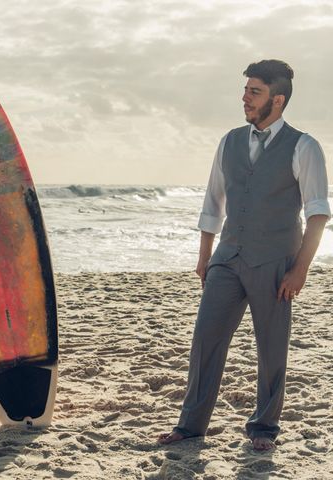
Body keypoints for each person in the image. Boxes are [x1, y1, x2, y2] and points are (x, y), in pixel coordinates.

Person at [158, 60, 330, 451]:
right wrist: (205, 256)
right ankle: (191, 426)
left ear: (278, 99)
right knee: (206, 339)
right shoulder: (230, 141)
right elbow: (212, 203)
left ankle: (264, 428)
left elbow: (317, 213)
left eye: (255, 92)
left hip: (275, 261)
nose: (245, 98)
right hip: (227, 256)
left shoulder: (304, 146)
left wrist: (300, 270)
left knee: (271, 346)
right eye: (246, 91)